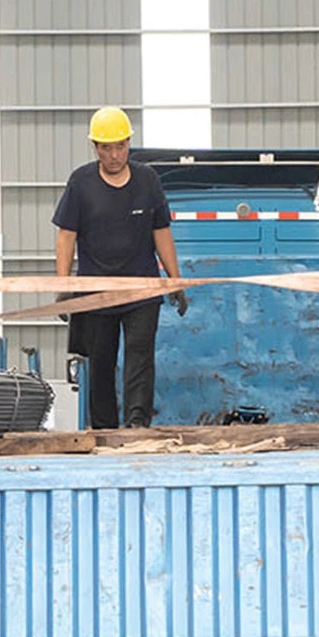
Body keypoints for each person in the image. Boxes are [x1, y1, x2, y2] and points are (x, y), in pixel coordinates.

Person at [53, 107, 187, 429]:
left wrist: (175, 280)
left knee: (139, 361)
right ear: (95, 148)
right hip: (96, 294)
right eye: (106, 148)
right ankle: (104, 431)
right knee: (101, 365)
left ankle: (137, 427)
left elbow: (161, 232)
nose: (115, 155)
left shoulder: (147, 180)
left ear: (129, 143)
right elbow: (66, 235)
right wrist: (63, 287)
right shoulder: (81, 183)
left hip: (142, 291)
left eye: (121, 146)